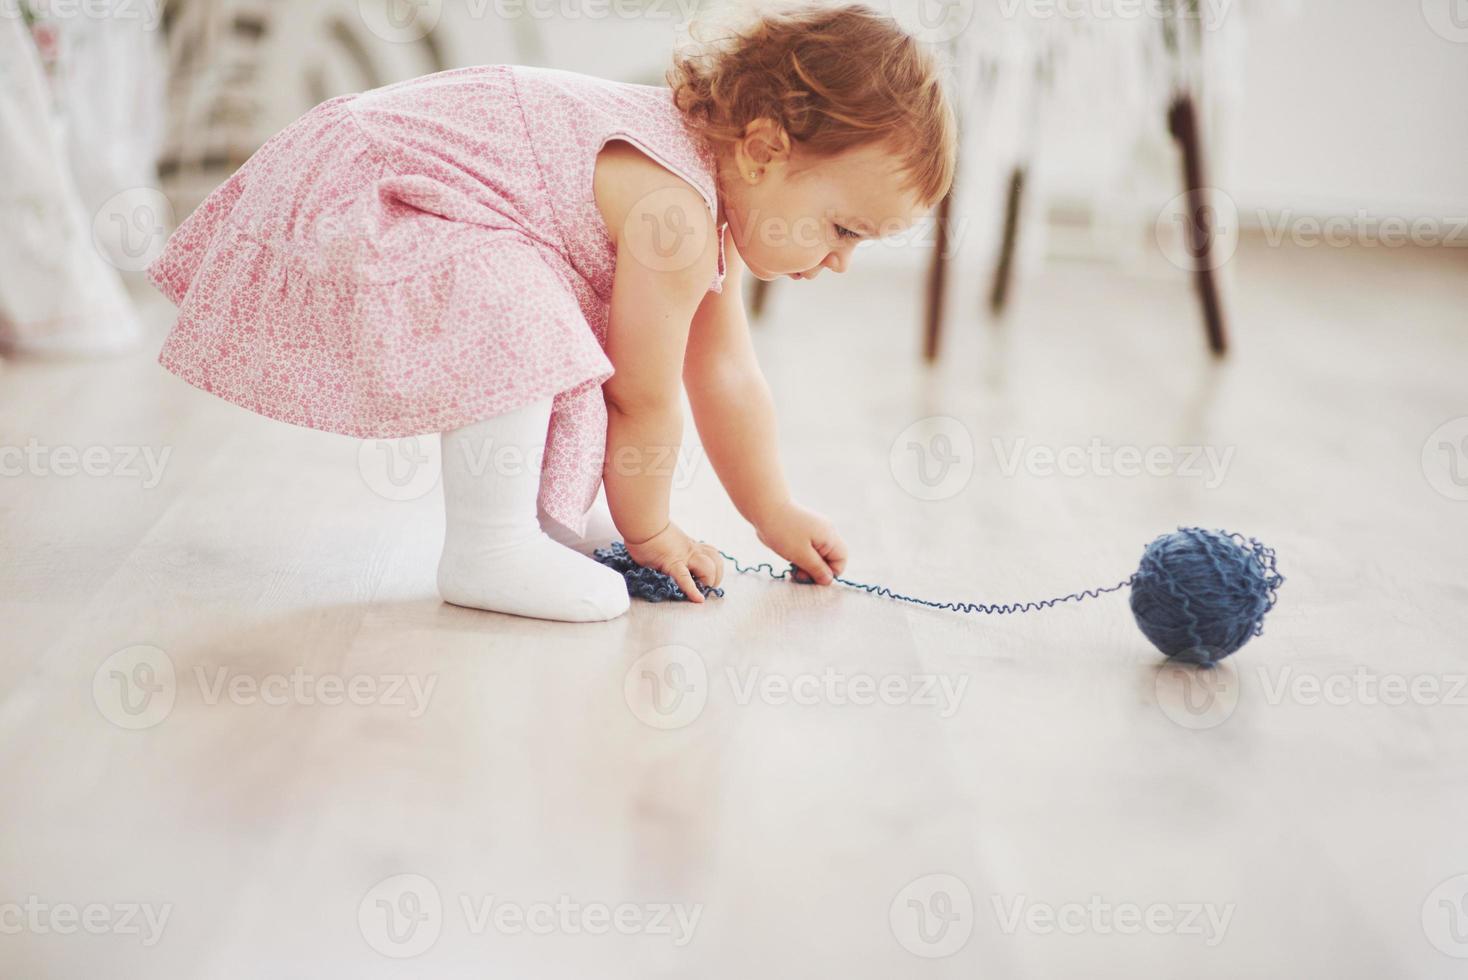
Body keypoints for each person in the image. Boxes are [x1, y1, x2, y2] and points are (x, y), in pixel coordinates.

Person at [147, 1, 957, 622]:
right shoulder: (674, 213)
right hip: (370, 189)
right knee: (521, 309)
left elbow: (726, 375)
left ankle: (545, 525)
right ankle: (487, 547)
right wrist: (651, 533)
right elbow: (644, 393)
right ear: (764, 150)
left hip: (411, 187)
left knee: (542, 313)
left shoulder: (709, 209)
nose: (842, 260)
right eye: (843, 228)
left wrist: (773, 513)